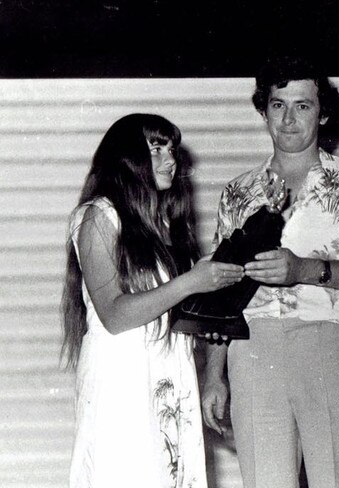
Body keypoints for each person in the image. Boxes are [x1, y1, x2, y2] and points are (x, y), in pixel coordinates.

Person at [200, 56, 339, 488]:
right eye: (278, 105)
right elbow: (220, 290)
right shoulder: (237, 191)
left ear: (323, 112)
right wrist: (213, 374)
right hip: (251, 349)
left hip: (326, 338)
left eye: (303, 106)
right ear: (264, 109)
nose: (289, 119)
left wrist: (302, 269)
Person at [60, 113, 244, 488]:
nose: (170, 160)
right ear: (127, 157)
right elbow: (113, 313)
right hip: (122, 379)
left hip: (169, 377)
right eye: (156, 149)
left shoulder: (164, 225)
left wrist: (217, 286)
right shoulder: (98, 216)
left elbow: (177, 311)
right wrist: (191, 283)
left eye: (172, 149)